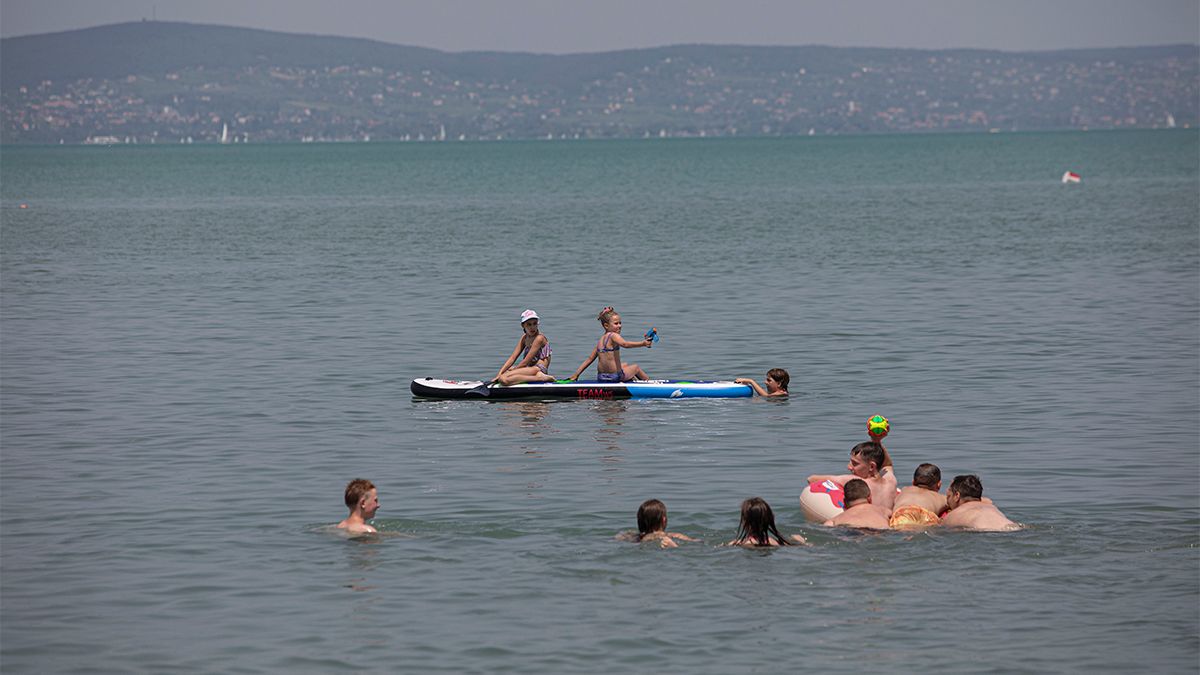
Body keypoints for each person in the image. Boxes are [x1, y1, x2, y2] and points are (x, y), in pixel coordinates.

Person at [807, 441, 898, 512]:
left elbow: (811, 479)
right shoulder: (891, 481)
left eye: (855, 463)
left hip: (863, 529)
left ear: (871, 466)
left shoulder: (857, 482)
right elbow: (888, 465)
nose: (849, 467)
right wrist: (877, 441)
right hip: (886, 527)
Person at [568, 306, 652, 382]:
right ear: (606, 326)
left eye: (620, 323)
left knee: (625, 365)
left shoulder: (601, 340)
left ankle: (632, 381)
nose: (619, 326)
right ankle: (649, 384)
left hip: (601, 377)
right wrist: (643, 343)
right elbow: (625, 344)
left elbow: (590, 359)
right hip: (615, 377)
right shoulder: (614, 336)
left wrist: (576, 375)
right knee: (636, 368)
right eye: (616, 323)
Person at [493, 309, 556, 385]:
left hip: (538, 369)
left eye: (534, 324)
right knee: (504, 374)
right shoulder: (524, 338)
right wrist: (499, 373)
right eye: (529, 324)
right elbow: (513, 357)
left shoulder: (539, 338)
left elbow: (525, 362)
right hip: (529, 368)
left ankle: (541, 378)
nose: (532, 327)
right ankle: (533, 377)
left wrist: (509, 372)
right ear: (523, 325)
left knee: (503, 379)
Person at [940, 475, 1020, 532]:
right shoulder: (991, 507)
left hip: (986, 532)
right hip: (1015, 528)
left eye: (948, 497)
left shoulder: (953, 515)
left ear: (957, 496)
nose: (948, 502)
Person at [616, 499, 696, 548]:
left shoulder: (632, 537)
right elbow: (697, 542)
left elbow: (617, 538)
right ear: (664, 520)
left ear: (639, 520)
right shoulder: (675, 535)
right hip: (665, 541)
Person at [727, 497, 806, 546]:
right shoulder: (779, 543)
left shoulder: (737, 544)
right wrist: (801, 542)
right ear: (771, 519)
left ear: (745, 521)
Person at [889, 463, 946, 528]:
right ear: (939, 485)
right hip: (924, 515)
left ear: (913, 482)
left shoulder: (905, 490)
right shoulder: (940, 498)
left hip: (903, 513)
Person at [824, 479, 890, 529]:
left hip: (849, 532)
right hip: (879, 531)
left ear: (844, 502)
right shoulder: (883, 511)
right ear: (870, 498)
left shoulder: (834, 520)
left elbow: (826, 527)